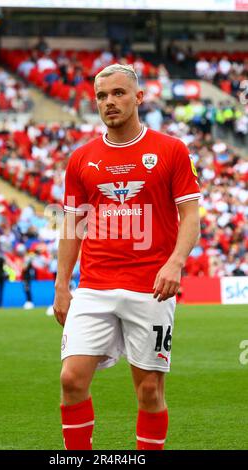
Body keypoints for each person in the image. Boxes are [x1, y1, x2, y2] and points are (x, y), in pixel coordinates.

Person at [53, 64, 201, 450]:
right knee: (71, 380)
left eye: (118, 93)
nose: (109, 102)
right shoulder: (81, 158)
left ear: (138, 97)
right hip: (94, 285)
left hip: (151, 288)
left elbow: (190, 217)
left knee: (150, 390)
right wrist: (61, 285)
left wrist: (175, 262)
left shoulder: (171, 150)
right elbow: (72, 226)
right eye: (102, 96)